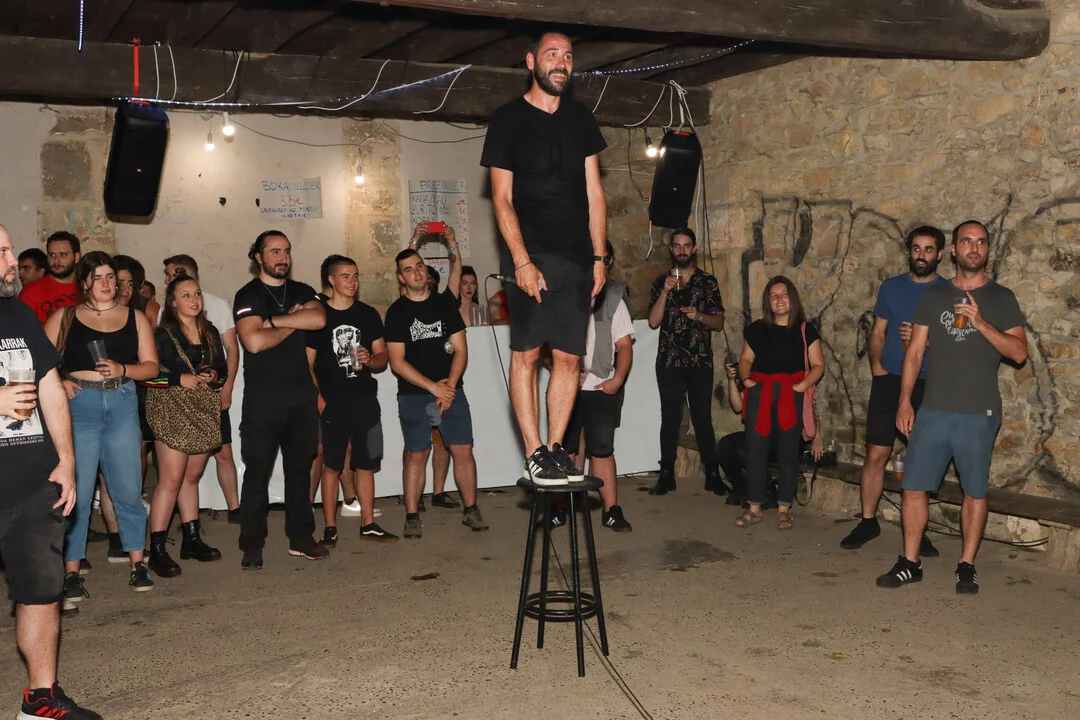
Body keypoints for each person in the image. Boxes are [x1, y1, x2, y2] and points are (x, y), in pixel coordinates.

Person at [481, 31, 608, 485]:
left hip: (577, 258)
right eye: (552, 54)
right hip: (530, 255)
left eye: (568, 56)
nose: (561, 62)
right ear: (531, 61)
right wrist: (520, 260)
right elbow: (501, 198)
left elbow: (595, 193)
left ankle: (556, 450)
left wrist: (599, 258)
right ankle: (533, 452)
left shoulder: (581, 117)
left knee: (570, 359)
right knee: (528, 354)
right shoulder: (508, 119)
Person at [877, 221, 1027, 594]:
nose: (974, 248)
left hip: (979, 411)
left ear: (987, 249)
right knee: (913, 486)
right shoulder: (935, 295)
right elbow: (914, 352)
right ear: (955, 250)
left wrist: (981, 322)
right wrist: (905, 401)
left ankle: (966, 565)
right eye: (967, 241)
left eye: (981, 242)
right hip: (933, 409)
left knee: (974, 491)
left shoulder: (1002, 298)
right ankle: (910, 562)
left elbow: (1019, 353)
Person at [0, 226, 101, 720]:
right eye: (1, 251)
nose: (12, 260)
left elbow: (50, 386)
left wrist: (66, 461)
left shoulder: (19, 314)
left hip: (33, 480)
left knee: (41, 592)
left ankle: (40, 700)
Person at [43, 252, 160, 604]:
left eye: (111, 277)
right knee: (75, 492)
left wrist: (124, 369)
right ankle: (71, 572)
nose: (106, 284)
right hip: (80, 406)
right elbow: (39, 363)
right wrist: (60, 381)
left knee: (128, 489)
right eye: (97, 277)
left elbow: (152, 367)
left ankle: (138, 563)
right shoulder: (65, 317)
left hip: (122, 403)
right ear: (84, 283)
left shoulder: (135, 317)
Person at [841, 227, 945, 554]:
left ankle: (917, 529)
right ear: (909, 251)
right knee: (876, 453)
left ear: (940, 254)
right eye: (916, 248)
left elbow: (956, 343)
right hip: (889, 381)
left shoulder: (948, 292)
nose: (921, 255)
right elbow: (878, 331)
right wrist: (876, 366)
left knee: (920, 459)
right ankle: (868, 521)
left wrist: (925, 340)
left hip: (929, 383)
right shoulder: (891, 287)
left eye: (928, 249)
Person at [233, 231, 327, 569]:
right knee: (257, 474)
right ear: (259, 257)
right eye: (274, 251)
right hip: (263, 401)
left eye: (286, 251)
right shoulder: (248, 294)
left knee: (300, 472)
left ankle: (301, 538)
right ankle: (252, 543)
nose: (282, 257)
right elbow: (254, 342)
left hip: (301, 398)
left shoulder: (302, 290)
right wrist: (292, 322)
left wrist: (272, 322)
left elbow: (318, 318)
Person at [384, 249, 488, 538]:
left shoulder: (444, 305)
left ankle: (471, 510)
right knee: (417, 454)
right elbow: (397, 362)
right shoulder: (396, 312)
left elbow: (461, 350)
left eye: (419, 266)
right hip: (414, 395)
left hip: (451, 392)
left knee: (463, 450)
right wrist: (434, 388)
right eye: (408, 269)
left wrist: (449, 387)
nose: (416, 272)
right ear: (401, 278)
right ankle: (412, 516)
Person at [307, 255, 397, 545]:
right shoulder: (318, 316)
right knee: (332, 465)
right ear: (331, 280)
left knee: (366, 463)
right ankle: (329, 527)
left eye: (356, 276)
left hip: (366, 401)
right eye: (345, 276)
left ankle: (368, 523)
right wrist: (320, 401)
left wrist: (371, 360)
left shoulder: (367, 314)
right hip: (333, 403)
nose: (352, 281)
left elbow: (383, 357)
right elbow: (306, 365)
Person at [143, 276, 227, 577]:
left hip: (201, 408)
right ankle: (157, 550)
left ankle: (191, 540)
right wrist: (179, 379)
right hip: (170, 409)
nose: (194, 300)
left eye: (197, 294)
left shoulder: (210, 331)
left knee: (192, 476)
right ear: (173, 302)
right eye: (186, 295)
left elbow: (222, 368)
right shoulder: (162, 334)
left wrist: (213, 376)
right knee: (171, 479)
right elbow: (146, 373)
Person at [735, 276, 824, 530]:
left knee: (788, 453)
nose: (779, 299)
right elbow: (745, 360)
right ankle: (754, 507)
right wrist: (747, 381)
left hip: (790, 395)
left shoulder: (806, 330)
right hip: (760, 394)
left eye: (783, 294)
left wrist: (801, 387)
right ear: (768, 302)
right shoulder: (756, 329)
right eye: (773, 296)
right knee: (755, 451)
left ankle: (784, 509)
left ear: (792, 298)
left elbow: (818, 365)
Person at [647, 228, 726, 496]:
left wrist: (699, 316)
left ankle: (712, 474)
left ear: (694, 248)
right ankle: (666, 474)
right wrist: (664, 292)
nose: (682, 250)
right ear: (671, 249)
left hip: (699, 359)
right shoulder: (661, 281)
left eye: (686, 245)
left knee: (702, 417)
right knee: (670, 417)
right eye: (677, 245)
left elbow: (719, 322)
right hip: (669, 360)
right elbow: (653, 321)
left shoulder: (707, 282)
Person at [163, 254, 241, 521]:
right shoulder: (166, 318)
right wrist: (178, 380)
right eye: (186, 295)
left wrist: (224, 385)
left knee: (222, 452)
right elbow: (156, 368)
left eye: (169, 274)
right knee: (178, 472)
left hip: (208, 397)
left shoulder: (216, 309)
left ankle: (233, 508)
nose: (166, 280)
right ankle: (185, 521)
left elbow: (230, 351)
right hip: (178, 403)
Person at [563, 242, 634, 531]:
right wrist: (566, 373)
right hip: (567, 389)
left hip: (601, 387)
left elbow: (625, 346)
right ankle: (560, 509)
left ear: (609, 262)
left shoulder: (614, 296)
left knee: (602, 450)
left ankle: (611, 510)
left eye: (600, 259)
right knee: (564, 449)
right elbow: (548, 344)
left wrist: (617, 380)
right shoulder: (566, 294)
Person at [407, 222, 463, 509]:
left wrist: (452, 243)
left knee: (442, 442)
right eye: (418, 274)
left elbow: (457, 270)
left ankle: (438, 492)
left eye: (429, 277)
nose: (423, 279)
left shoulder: (445, 303)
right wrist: (414, 241)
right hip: (417, 388)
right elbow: (404, 264)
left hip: (444, 386)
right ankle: (414, 499)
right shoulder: (405, 305)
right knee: (417, 447)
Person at [716, 361, 824, 509]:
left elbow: (811, 407)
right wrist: (731, 380)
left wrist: (817, 438)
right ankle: (741, 488)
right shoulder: (753, 377)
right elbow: (738, 406)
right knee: (725, 445)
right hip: (761, 434)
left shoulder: (788, 373)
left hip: (787, 439)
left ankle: (768, 492)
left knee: (747, 447)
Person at [19, 231, 81, 324]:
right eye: (52, 255)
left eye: (63, 255)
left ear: (76, 257)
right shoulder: (30, 292)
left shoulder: (87, 289)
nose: (56, 261)